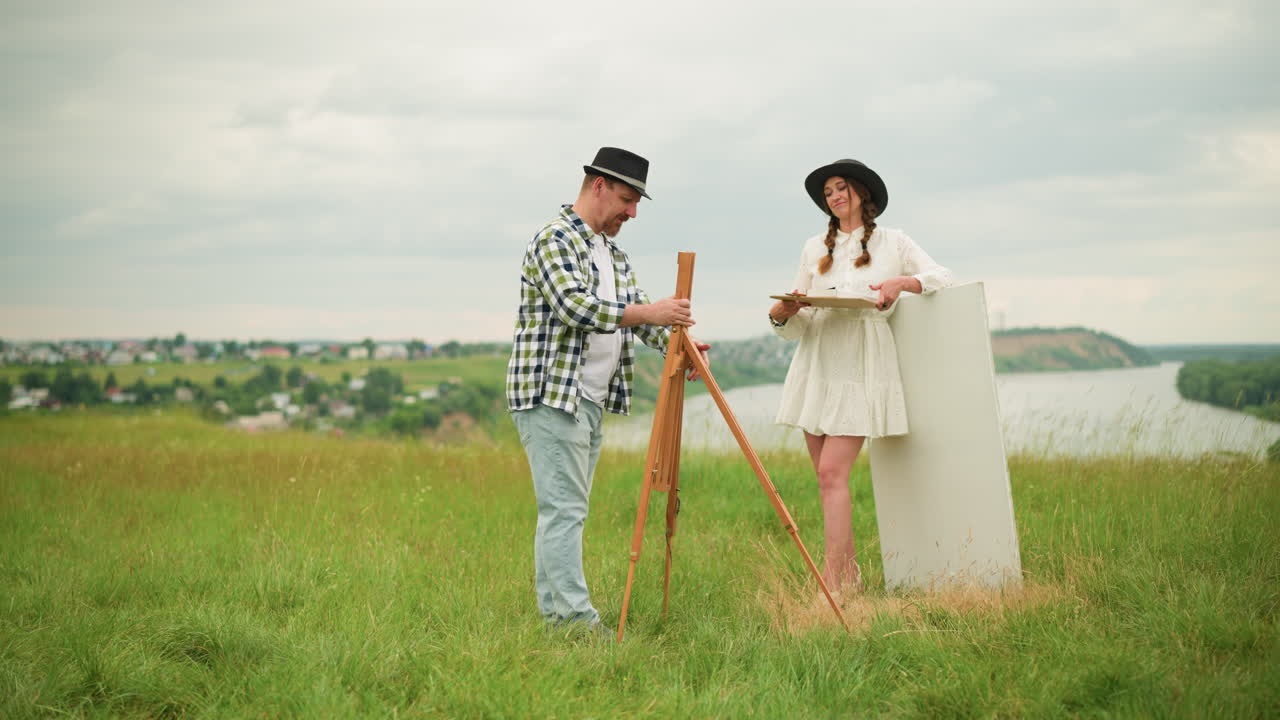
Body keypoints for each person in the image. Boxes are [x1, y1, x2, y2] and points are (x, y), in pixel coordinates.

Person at [506, 146, 710, 634]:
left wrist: (681, 346)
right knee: (565, 510)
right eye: (626, 198)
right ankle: (578, 622)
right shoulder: (554, 239)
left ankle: (557, 619)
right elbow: (575, 308)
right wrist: (651, 313)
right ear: (598, 185)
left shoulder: (612, 253)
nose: (632, 212)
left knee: (562, 511)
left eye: (637, 201)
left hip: (590, 400)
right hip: (552, 395)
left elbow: (640, 315)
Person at [767, 158, 952, 594]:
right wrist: (782, 313)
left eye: (841, 187)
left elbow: (942, 276)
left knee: (833, 474)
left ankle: (833, 584)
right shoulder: (814, 247)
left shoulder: (894, 242)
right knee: (825, 478)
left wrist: (900, 285)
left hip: (862, 361)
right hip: (818, 361)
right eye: (828, 191)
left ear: (862, 193)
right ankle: (848, 578)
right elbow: (795, 323)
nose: (833, 196)